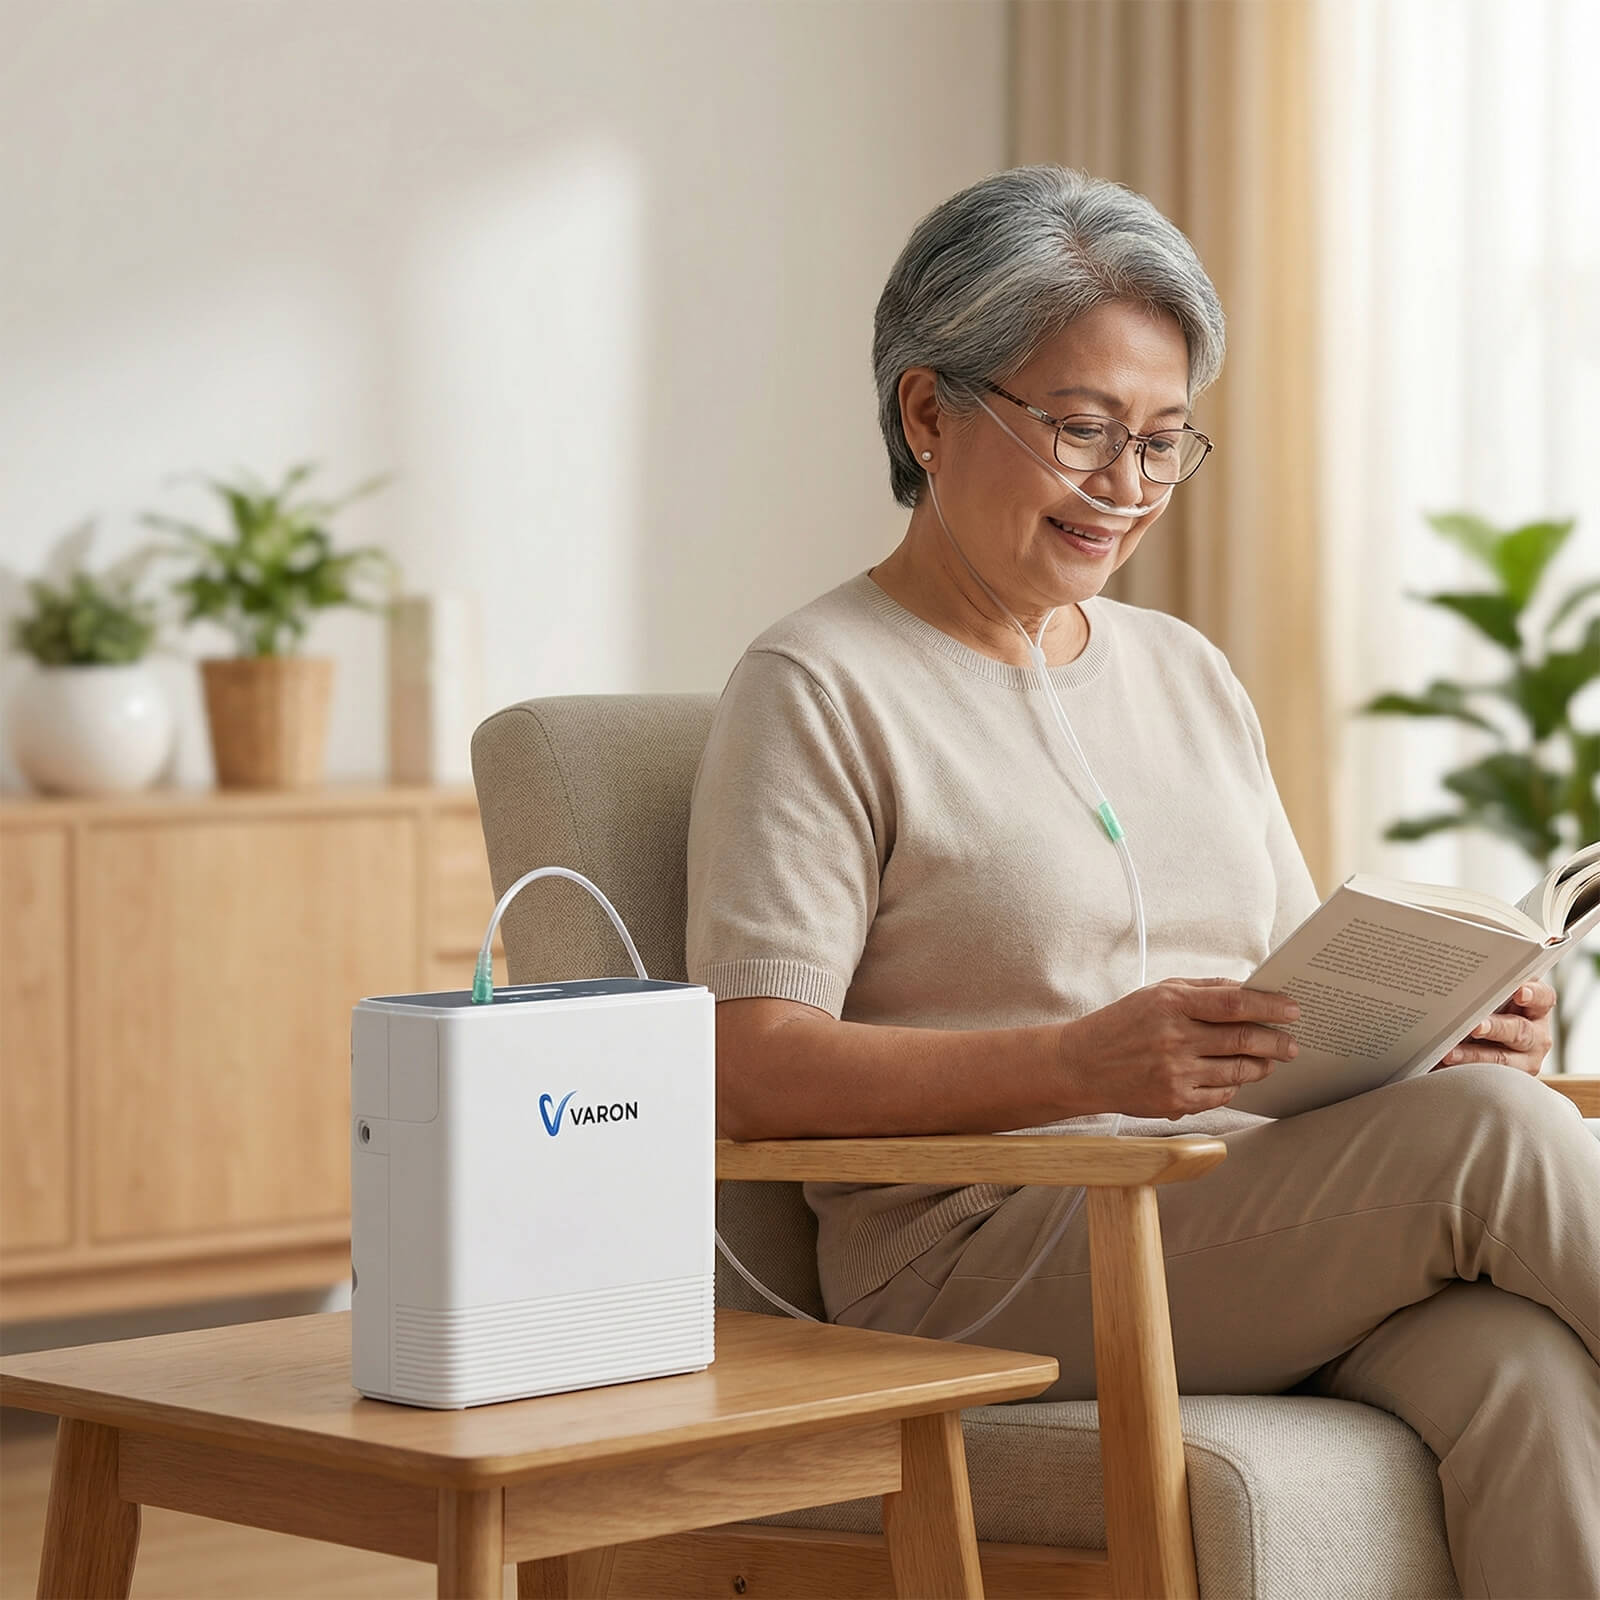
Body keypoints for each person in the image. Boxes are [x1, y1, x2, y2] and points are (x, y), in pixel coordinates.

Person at [684, 165, 1598, 1599]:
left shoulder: (1183, 670)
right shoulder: (818, 684)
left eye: (1165, 442)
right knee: (1489, 1139)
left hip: (1230, 1210)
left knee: (1520, 1366)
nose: (1125, 488)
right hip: (983, 1256)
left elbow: (1286, 992)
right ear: (930, 415)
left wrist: (1437, 1022)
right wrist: (1073, 1061)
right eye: (1082, 430)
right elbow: (744, 1066)